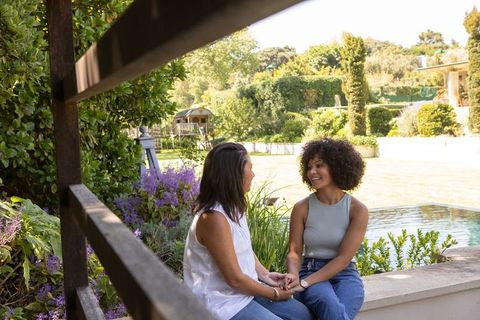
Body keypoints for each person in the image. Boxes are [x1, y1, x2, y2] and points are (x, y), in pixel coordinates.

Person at [183, 142, 314, 320]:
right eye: (249, 168)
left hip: (244, 294)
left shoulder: (234, 208)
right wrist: (273, 293)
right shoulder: (213, 217)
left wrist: (265, 275)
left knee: (303, 315)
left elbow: (243, 248)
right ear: (233, 174)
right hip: (221, 304)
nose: (253, 174)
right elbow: (235, 279)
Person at [284, 138, 368, 320]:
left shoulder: (357, 210)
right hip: (310, 269)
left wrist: (305, 284)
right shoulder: (302, 208)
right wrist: (294, 275)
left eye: (319, 165)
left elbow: (344, 258)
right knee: (328, 303)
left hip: (346, 274)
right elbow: (294, 252)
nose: (312, 172)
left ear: (337, 167)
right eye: (309, 167)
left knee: (337, 310)